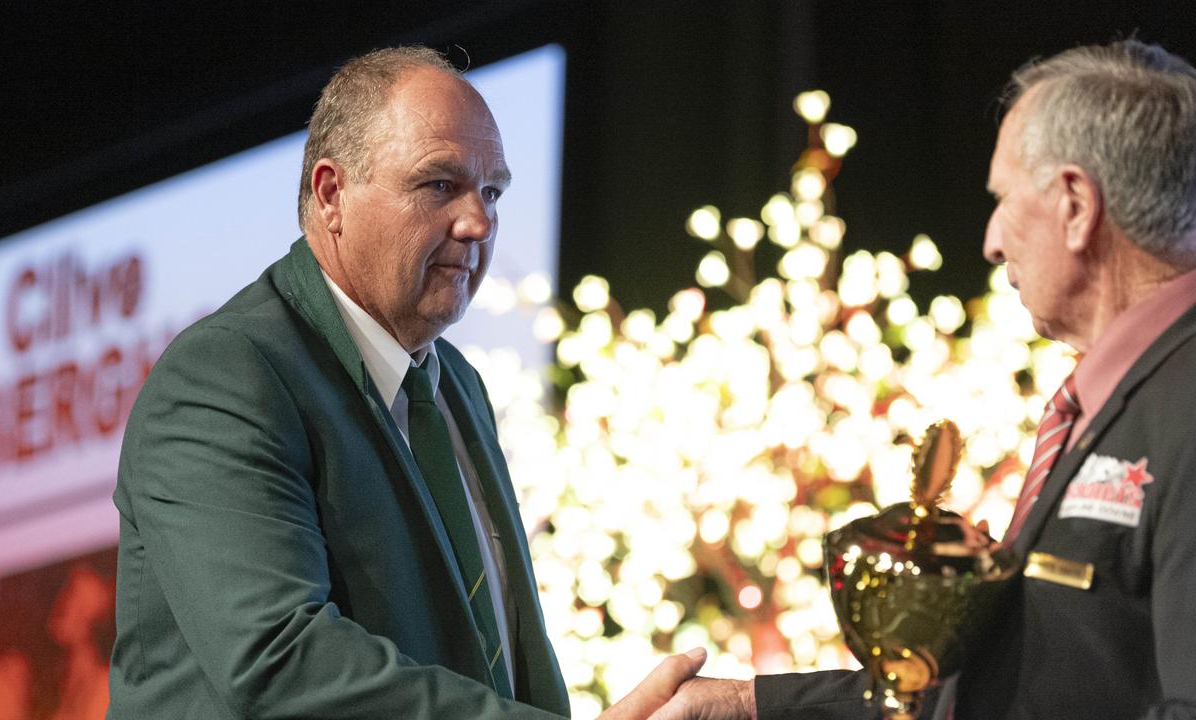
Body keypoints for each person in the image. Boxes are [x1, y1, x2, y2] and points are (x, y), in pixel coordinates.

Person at [107, 46, 708, 719]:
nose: (477, 222)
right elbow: (279, 659)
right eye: (438, 185)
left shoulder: (457, 387)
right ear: (332, 194)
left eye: (491, 191)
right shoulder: (227, 376)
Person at [650, 39, 1196, 720]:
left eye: (1002, 199)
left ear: (1075, 205)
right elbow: (1005, 689)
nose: (991, 241)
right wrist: (744, 705)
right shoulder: (1108, 398)